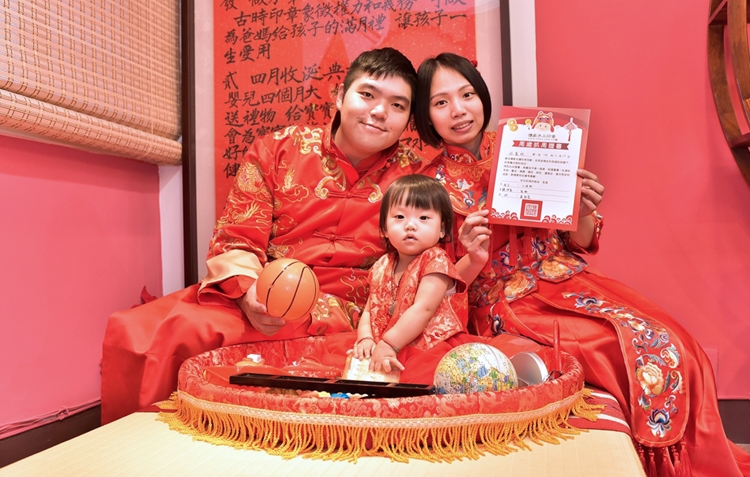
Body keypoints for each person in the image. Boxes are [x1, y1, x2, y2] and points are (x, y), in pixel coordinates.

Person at [414, 52, 750, 477]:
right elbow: (437, 282)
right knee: (619, 348)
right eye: (441, 102)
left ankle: (691, 465)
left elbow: (582, 240)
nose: (459, 110)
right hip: (505, 302)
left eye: (467, 95)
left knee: (672, 341)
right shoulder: (428, 188)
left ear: (482, 96)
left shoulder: (529, 143)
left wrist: (584, 208)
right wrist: (469, 255)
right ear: (426, 115)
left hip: (568, 279)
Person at [101, 47, 443, 424]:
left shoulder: (418, 179)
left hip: (361, 314)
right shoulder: (277, 150)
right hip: (272, 297)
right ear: (339, 95)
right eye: (367, 94)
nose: (379, 112)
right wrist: (250, 294)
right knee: (157, 331)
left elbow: (428, 263)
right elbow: (237, 236)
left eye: (397, 105)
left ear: (408, 119)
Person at [352, 174, 473, 380]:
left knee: (425, 379)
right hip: (386, 345)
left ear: (442, 229)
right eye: (400, 217)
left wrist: (390, 344)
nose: (410, 225)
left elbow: (423, 308)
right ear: (384, 229)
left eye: (423, 218)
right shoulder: (383, 264)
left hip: (429, 347)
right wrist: (366, 338)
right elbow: (370, 308)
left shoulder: (436, 261)